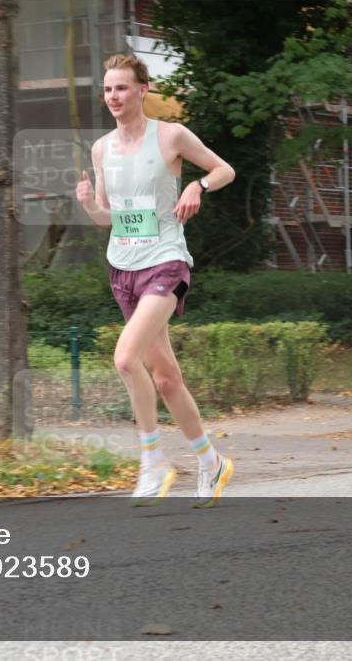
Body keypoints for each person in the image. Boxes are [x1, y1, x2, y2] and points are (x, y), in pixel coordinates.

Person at [75, 54, 236, 508]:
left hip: (166, 262)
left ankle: (153, 461)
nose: (113, 97)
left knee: (125, 359)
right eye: (107, 89)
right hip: (123, 269)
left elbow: (224, 169)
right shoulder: (101, 149)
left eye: (121, 88)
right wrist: (89, 205)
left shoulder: (171, 136)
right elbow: (110, 217)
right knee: (165, 378)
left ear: (142, 90)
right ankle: (211, 462)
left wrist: (196, 187)